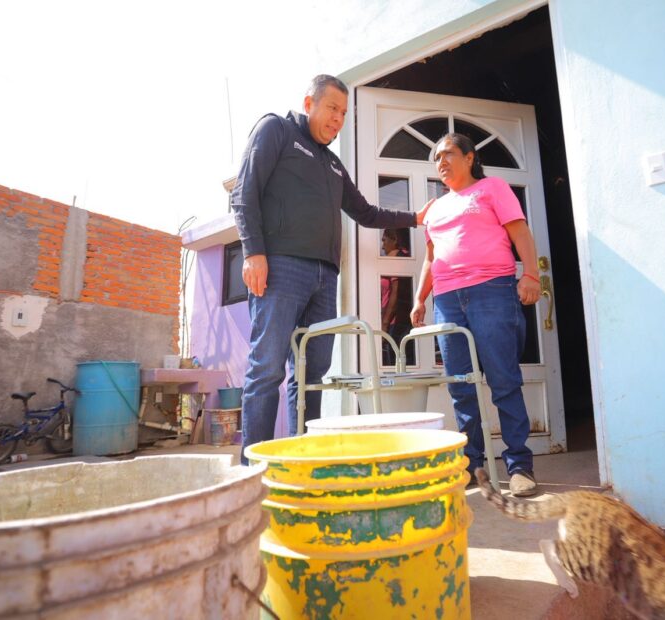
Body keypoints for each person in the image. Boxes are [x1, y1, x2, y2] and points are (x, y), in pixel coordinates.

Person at [230, 75, 430, 463]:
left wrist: (414, 218)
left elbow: (366, 212)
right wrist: (253, 253)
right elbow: (244, 192)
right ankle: (252, 468)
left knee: (313, 373)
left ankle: (303, 459)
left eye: (343, 113)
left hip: (324, 278)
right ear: (309, 103)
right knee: (267, 368)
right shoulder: (277, 130)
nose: (338, 119)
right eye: (332, 109)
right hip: (280, 267)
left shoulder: (333, 164)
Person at [410, 133, 541, 497]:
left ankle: (520, 466)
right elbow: (431, 259)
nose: (441, 162)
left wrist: (531, 275)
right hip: (447, 300)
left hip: (492, 291)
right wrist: (420, 299)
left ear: (469, 158)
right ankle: (473, 466)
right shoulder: (435, 208)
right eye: (436, 158)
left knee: (503, 379)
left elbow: (521, 233)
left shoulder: (492, 188)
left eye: (448, 154)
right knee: (461, 386)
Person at [380, 229, 413, 365]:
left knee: (395, 364)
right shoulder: (405, 256)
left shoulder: (396, 257)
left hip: (395, 323)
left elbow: (396, 292)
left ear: (394, 240)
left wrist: (385, 324)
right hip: (402, 321)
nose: (382, 246)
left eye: (384, 240)